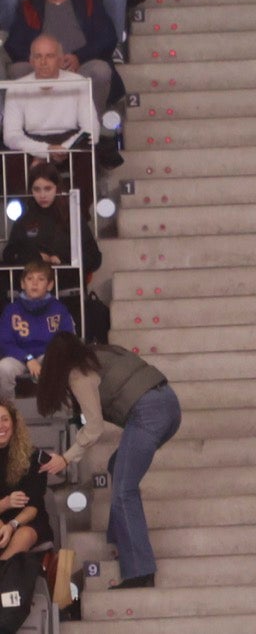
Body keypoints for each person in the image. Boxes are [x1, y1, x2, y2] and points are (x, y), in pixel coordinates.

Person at [37, 333, 179, 588]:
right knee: (117, 465)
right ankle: (120, 535)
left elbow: (94, 428)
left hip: (148, 413)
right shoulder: (102, 353)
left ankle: (140, 571)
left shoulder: (78, 375)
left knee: (124, 490)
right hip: (169, 403)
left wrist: (66, 459)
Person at [1, 160, 101, 307]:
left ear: (57, 188)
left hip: (67, 294)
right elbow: (9, 254)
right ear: (31, 190)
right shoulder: (24, 219)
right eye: (37, 189)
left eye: (47, 189)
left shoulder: (72, 218)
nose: (42, 195)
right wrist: (36, 257)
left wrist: (63, 260)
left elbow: (94, 257)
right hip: (30, 300)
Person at [3, 34, 98, 164]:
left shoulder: (79, 83)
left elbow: (91, 129)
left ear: (60, 60)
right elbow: (11, 136)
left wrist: (64, 149)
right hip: (32, 143)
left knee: (87, 150)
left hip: (70, 141)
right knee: (12, 157)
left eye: (50, 56)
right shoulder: (16, 88)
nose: (43, 62)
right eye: (38, 56)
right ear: (31, 61)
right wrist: (45, 150)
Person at [0, 259, 69, 401]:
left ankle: (64, 411)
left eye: (41, 279)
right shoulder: (11, 310)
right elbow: (5, 342)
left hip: (48, 355)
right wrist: (28, 358)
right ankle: (10, 414)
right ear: (22, 284)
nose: (34, 283)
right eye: (30, 279)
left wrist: (50, 357)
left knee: (64, 363)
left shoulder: (59, 309)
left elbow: (67, 340)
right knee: (3, 368)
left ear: (50, 285)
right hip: (19, 357)